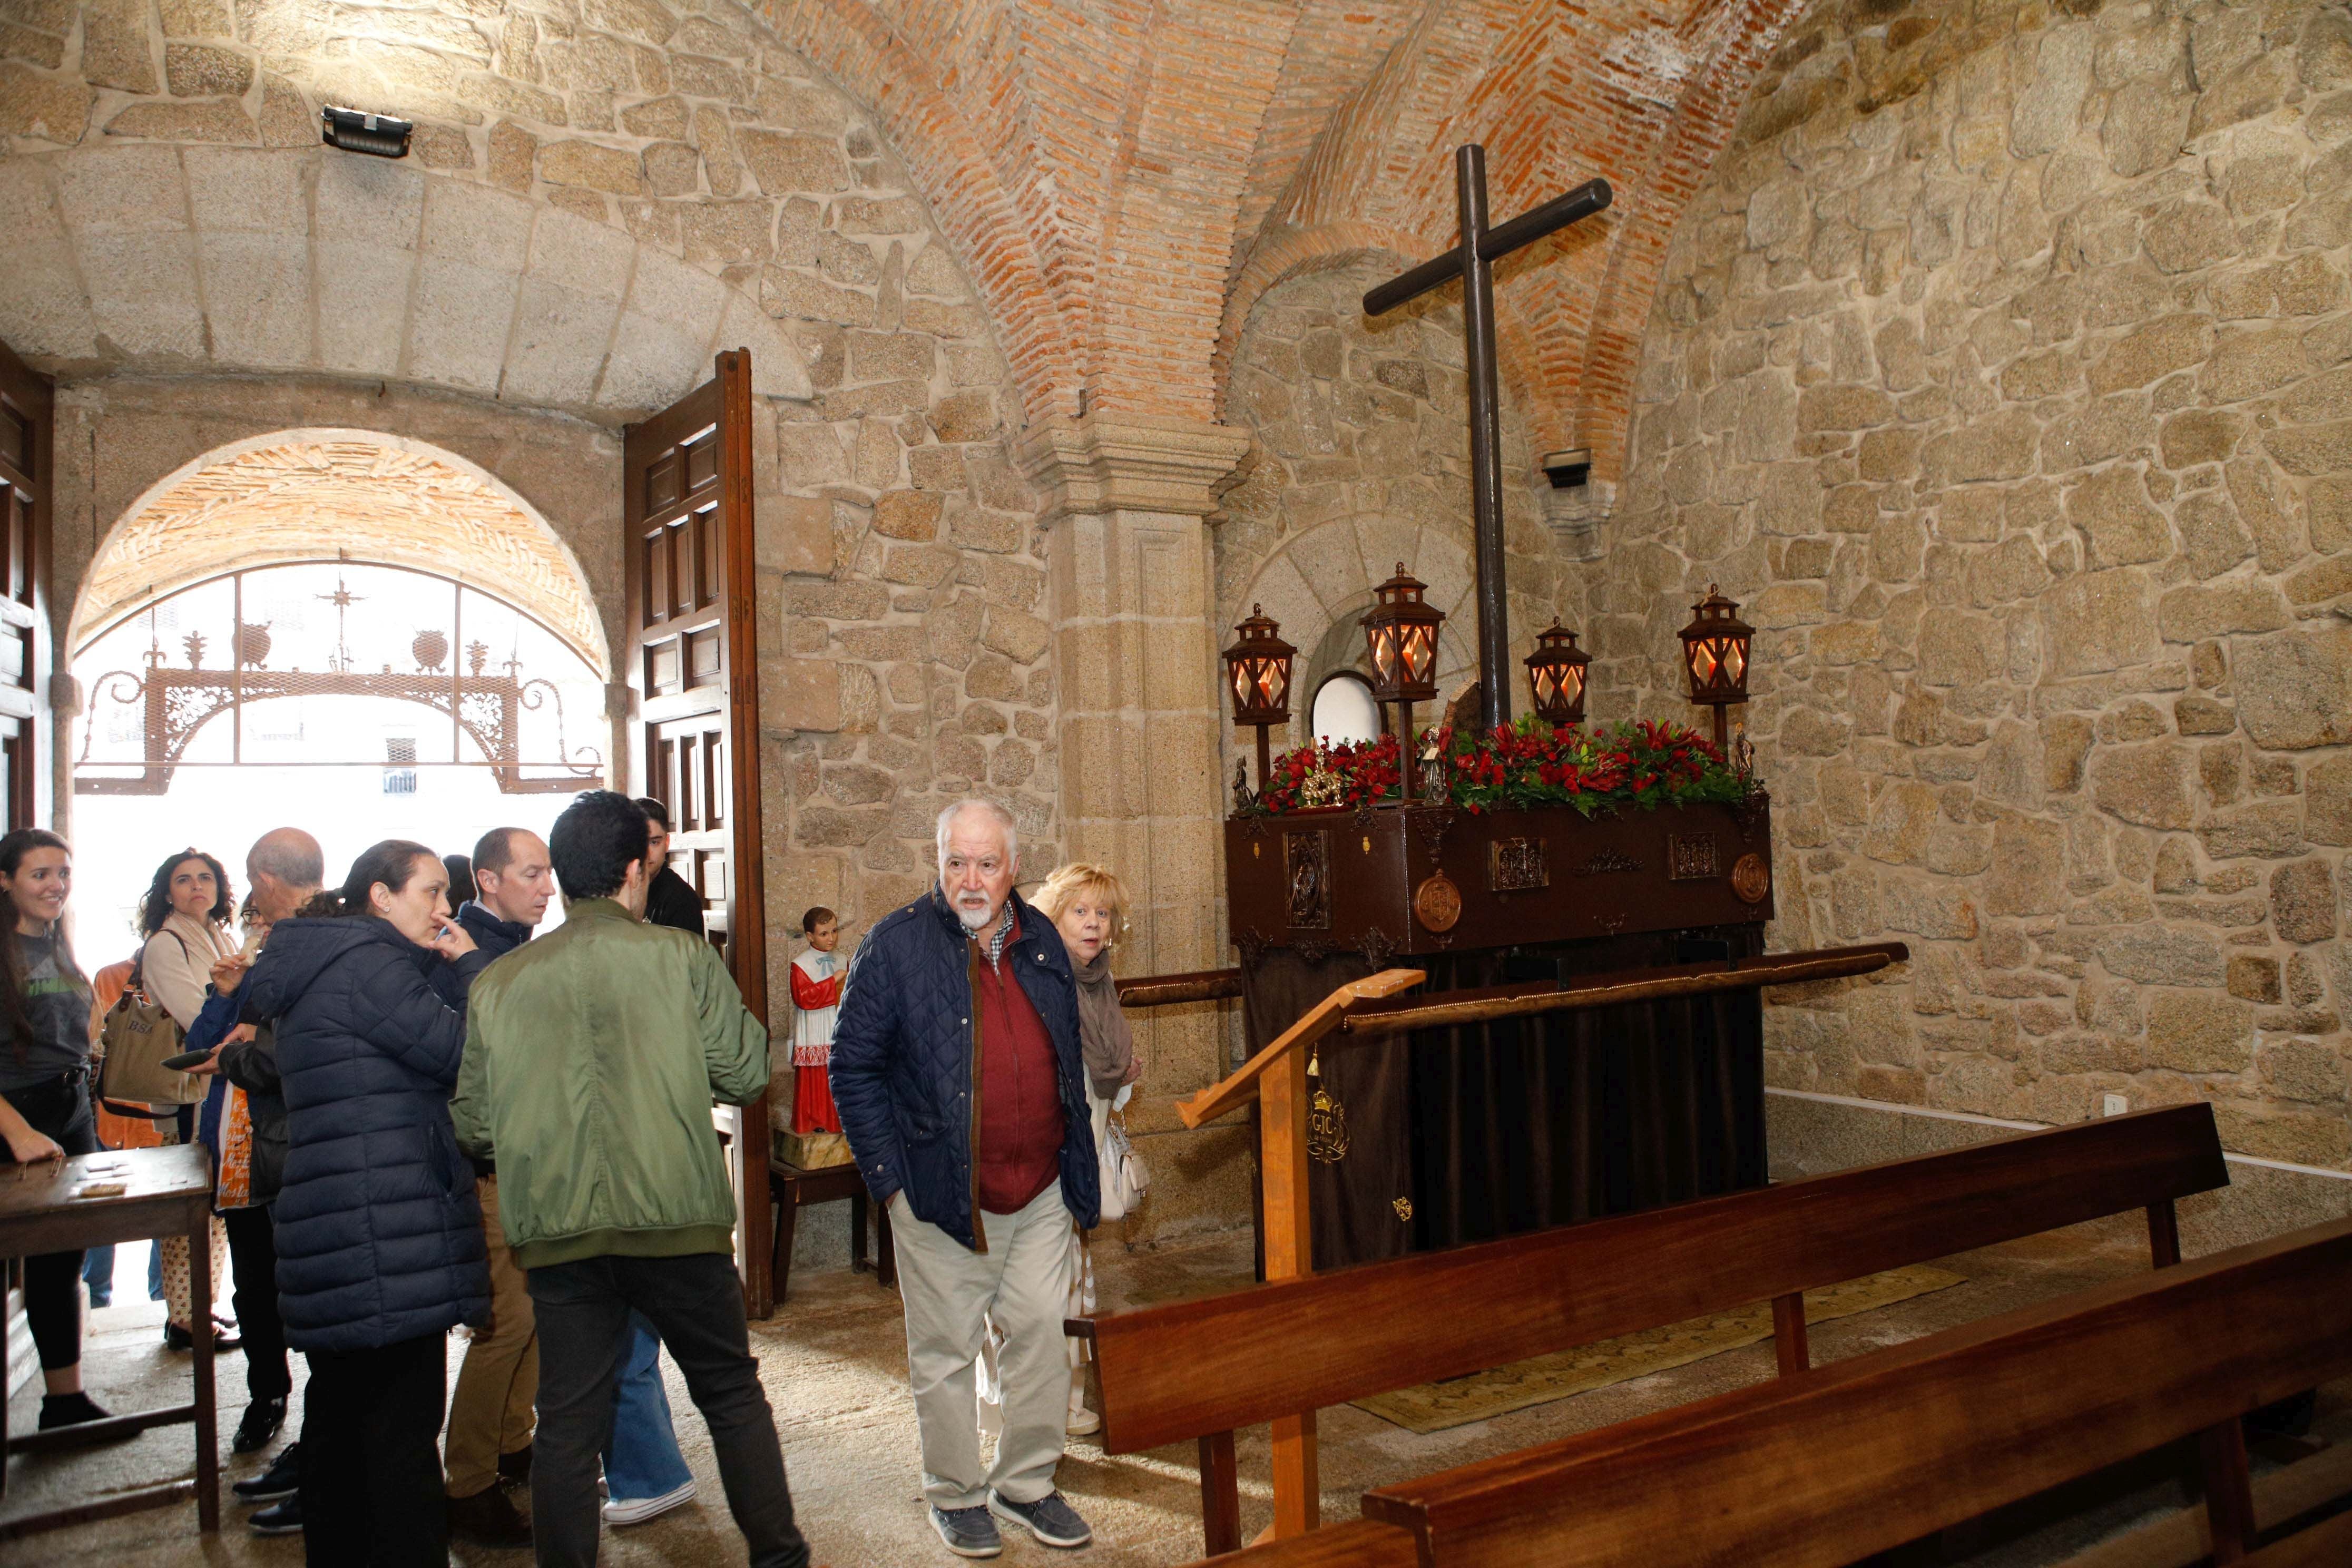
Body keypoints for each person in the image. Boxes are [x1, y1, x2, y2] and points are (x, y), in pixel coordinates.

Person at [452, 789, 809, 1568]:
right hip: (676, 1220)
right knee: (731, 1396)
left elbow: (473, 1125)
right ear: (634, 871)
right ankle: (780, 1559)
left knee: (567, 1423)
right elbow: (746, 1074)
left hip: (558, 1232)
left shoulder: (499, 983)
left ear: (563, 878)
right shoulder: (681, 958)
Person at [832, 798, 1102, 1559]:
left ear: (1014, 868)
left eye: (987, 864)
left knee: (1040, 1339)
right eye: (957, 862)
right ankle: (955, 1494)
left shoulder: (1041, 938)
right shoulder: (895, 946)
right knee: (946, 1353)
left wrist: (1073, 1163)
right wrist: (890, 1183)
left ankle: (1027, 1484)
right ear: (939, 863)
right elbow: (853, 1068)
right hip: (939, 1195)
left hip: (1040, 1188)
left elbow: (1066, 1053)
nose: (971, 880)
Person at [218, 840, 489, 1568]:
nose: (444, 908)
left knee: (342, 1426)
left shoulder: (333, 958)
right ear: (380, 895)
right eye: (431, 892)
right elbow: (467, 1052)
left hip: (339, 1216)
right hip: (383, 1225)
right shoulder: (367, 964)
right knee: (400, 1437)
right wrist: (470, 965)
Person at [187, 829, 322, 1526]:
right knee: (253, 1284)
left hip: (293, 1145)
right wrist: (227, 998)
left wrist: (251, 1036)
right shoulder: (243, 963)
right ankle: (269, 1397)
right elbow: (198, 1049)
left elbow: (291, 1056)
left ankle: (319, 1449)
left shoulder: (317, 954)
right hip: (241, 1149)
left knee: (313, 1296)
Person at [988, 863, 1143, 1439]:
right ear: (1054, 918)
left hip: (1081, 1153)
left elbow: (1104, 1076)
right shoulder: (1039, 978)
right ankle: (1017, 1406)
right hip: (1040, 1152)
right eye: (1080, 911)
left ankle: (1065, 1403)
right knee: (1031, 1287)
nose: (1093, 923)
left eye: (1103, 913)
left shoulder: (1099, 981)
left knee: (1073, 1283)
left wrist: (1123, 1074)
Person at [435, 826, 555, 1550]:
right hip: (493, 1166)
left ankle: (514, 1441)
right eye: (532, 873)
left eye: (548, 873)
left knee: (535, 1312)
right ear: (488, 879)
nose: (548, 887)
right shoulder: (460, 951)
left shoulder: (514, 943)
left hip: (533, 1159)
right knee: (505, 1323)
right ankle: (469, 1483)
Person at [0, 828, 111, 1430]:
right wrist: (17, 1132)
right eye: (40, 874)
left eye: (63, 873)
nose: (55, 885)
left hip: (70, 1110)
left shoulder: (53, 937)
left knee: (63, 1258)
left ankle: (65, 1404)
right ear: (5, 881)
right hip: (16, 1119)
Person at [135, 848, 241, 1356]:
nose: (197, 886)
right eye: (184, 879)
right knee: (188, 1208)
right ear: (167, 892)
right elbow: (196, 1015)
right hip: (187, 1092)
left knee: (213, 1207)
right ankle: (183, 1319)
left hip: (215, 1085)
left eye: (206, 877)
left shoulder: (219, 935)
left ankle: (202, 1305)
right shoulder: (165, 943)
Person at [788, 906, 843, 1135]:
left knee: (836, 1073)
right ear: (810, 936)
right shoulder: (801, 964)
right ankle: (813, 1120)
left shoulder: (842, 959)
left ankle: (836, 1120)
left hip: (835, 1023)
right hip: (813, 1025)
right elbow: (803, 997)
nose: (831, 938)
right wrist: (833, 981)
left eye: (834, 931)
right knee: (815, 1078)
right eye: (824, 934)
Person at [633, 796, 706, 937]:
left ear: (667, 843)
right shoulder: (617, 892)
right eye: (639, 842)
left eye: (654, 843)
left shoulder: (682, 900)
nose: (646, 853)